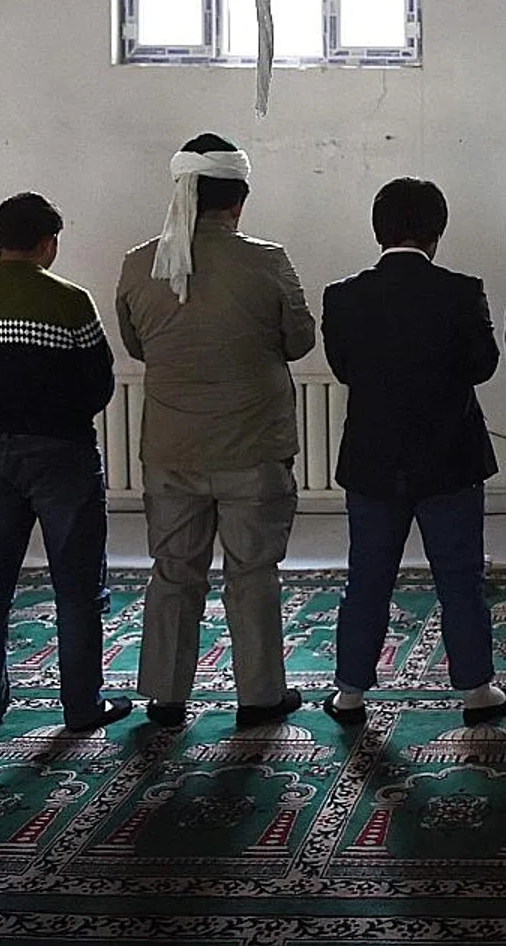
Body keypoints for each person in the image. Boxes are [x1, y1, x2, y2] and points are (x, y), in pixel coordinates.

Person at [115, 135, 316, 729]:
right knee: (252, 574)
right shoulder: (267, 261)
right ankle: (260, 695)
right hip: (254, 447)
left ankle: (166, 694)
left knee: (174, 572)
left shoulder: (138, 264)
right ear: (240, 198)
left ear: (182, 191)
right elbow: (300, 341)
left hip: (171, 448)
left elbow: (137, 345)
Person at [321, 178, 506, 727]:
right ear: (438, 232)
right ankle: (477, 689)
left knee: (367, 577)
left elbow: (344, 369)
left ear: (377, 230)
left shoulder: (343, 296)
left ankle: (350, 692)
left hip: (373, 459)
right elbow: (483, 366)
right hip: (449, 458)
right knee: (460, 579)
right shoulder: (461, 291)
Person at [0, 193, 130, 733]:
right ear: (48, 243)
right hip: (61, 454)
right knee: (77, 588)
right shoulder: (69, 300)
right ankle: (82, 706)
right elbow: (99, 384)